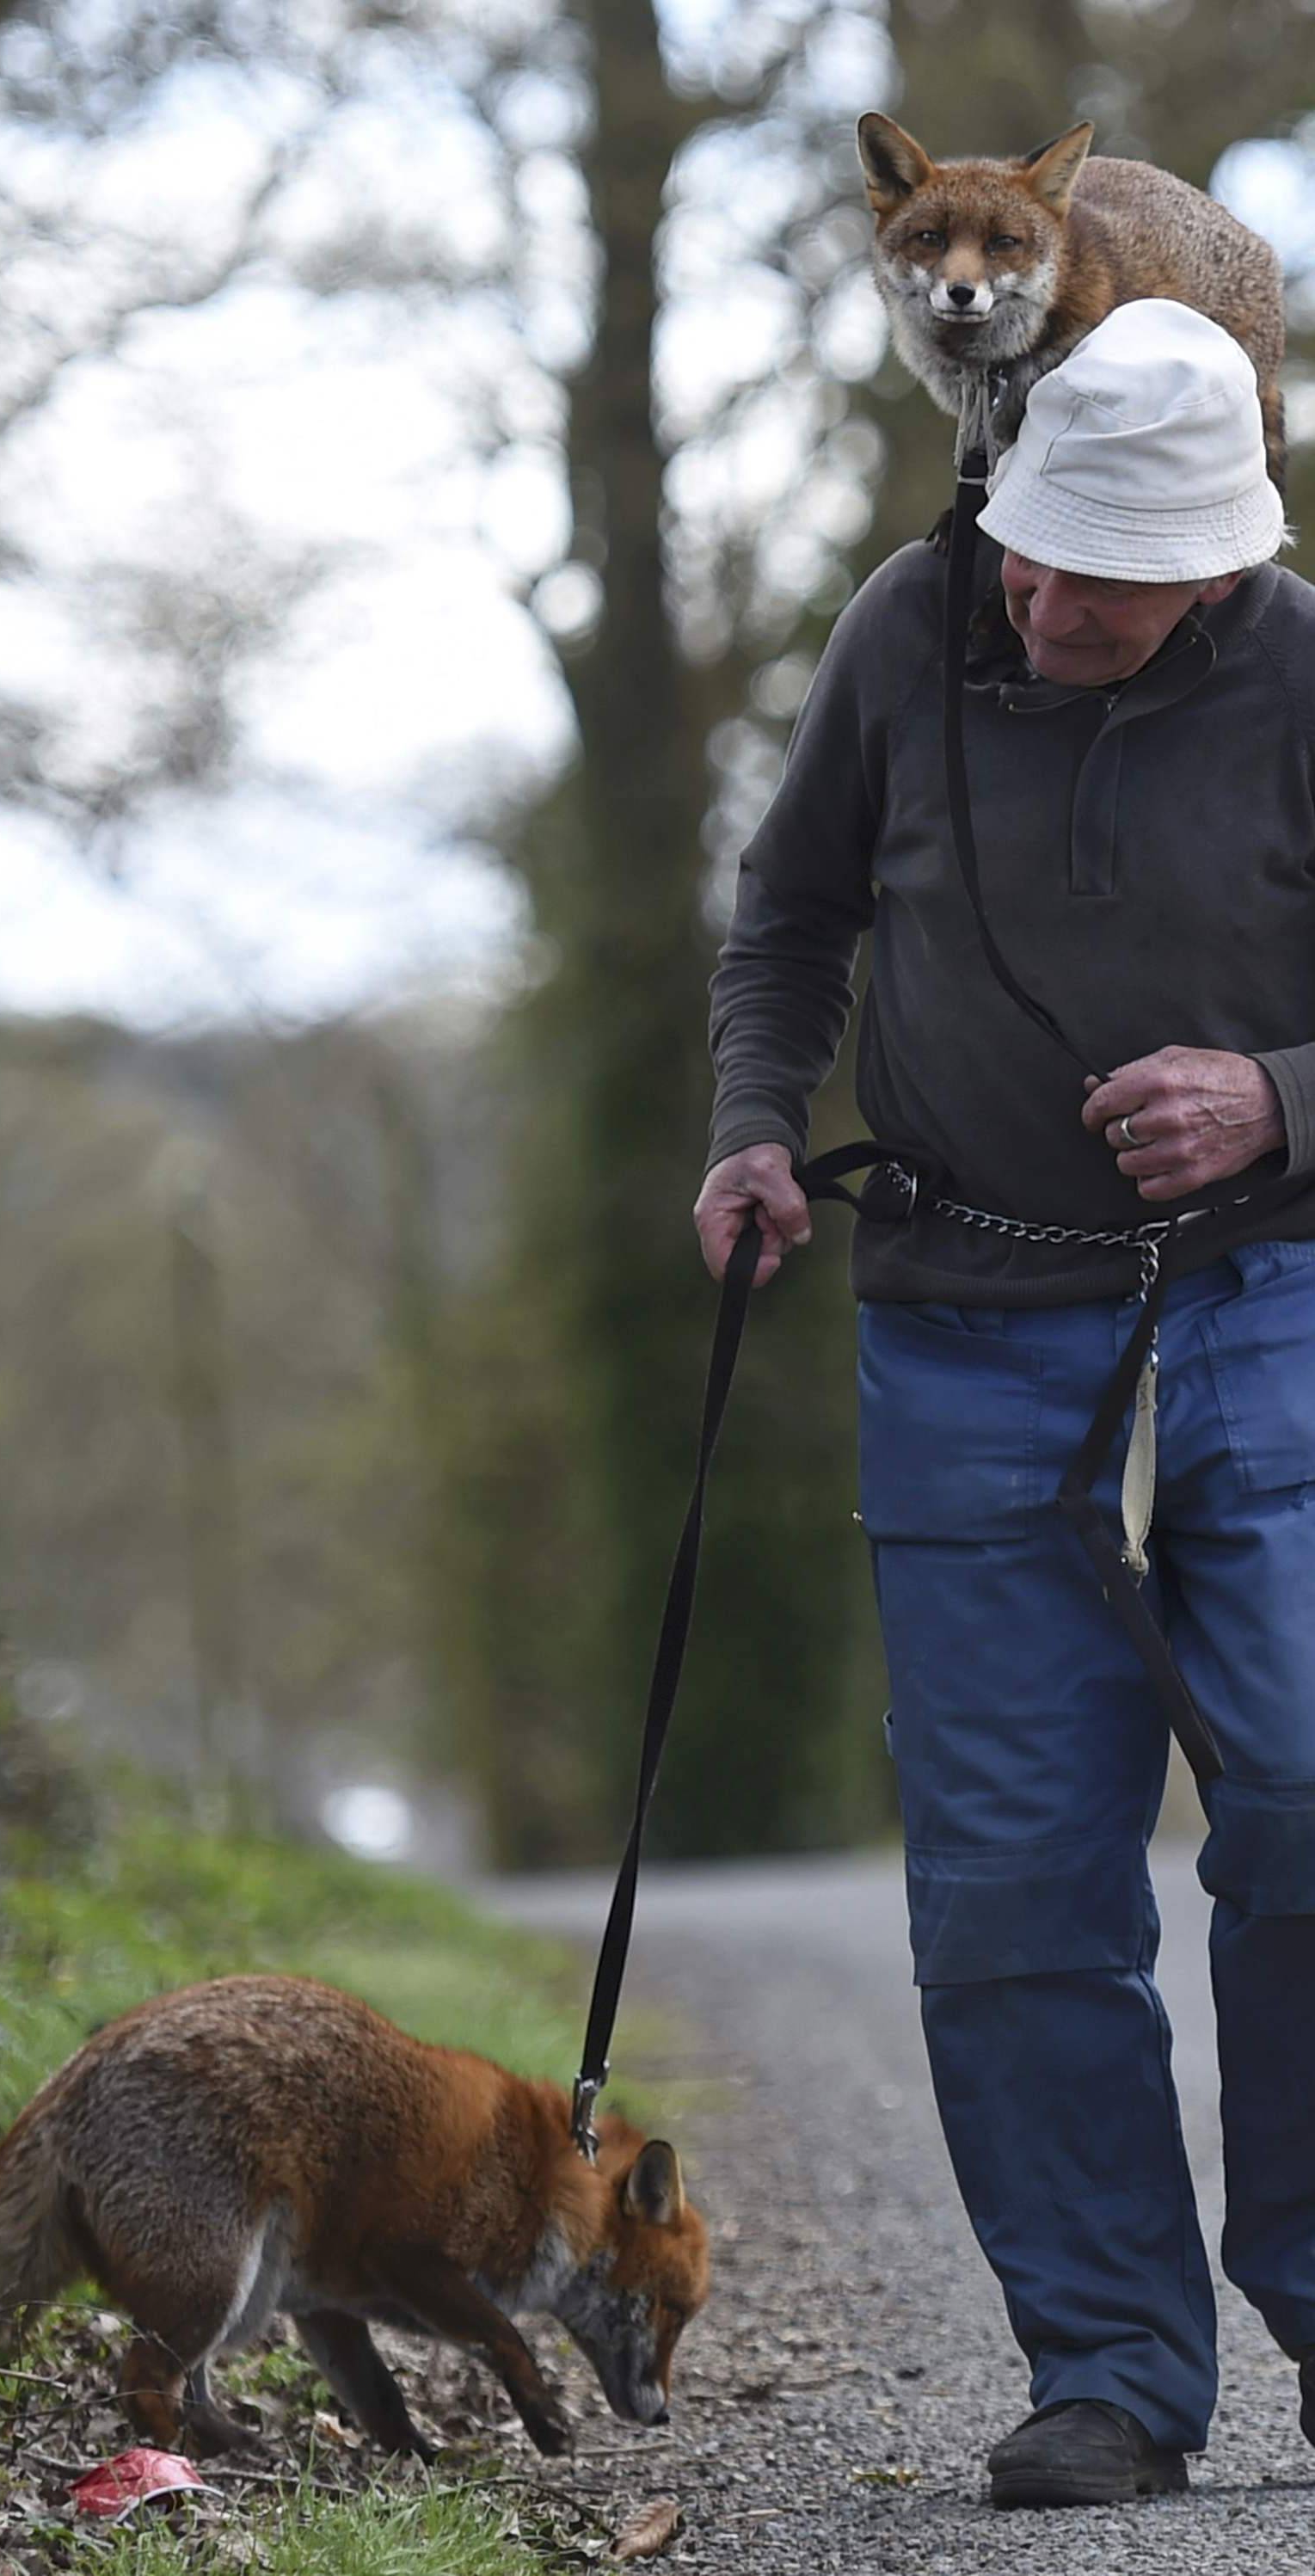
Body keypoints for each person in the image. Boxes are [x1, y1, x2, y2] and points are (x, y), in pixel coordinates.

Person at [695, 298, 1315, 2511]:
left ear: (1221, 573)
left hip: (1271, 1304)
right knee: (1013, 1880)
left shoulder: (1305, 669)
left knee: (1312, 1798)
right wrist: (754, 1126)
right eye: (1032, 549)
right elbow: (788, 913)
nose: (1041, 598)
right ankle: (1114, 2367)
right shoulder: (908, 622)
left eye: (1102, 577)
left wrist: (1276, 1094)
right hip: (958, 1315)